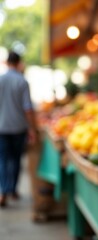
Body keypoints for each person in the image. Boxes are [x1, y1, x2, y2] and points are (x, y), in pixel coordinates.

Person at [0, 51, 39, 207]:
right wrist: (33, 129)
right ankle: (13, 190)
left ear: (7, 62)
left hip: (1, 128)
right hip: (18, 127)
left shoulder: (0, 80)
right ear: (19, 63)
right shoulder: (22, 81)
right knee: (16, 160)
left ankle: (3, 191)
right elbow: (28, 108)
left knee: (2, 160)